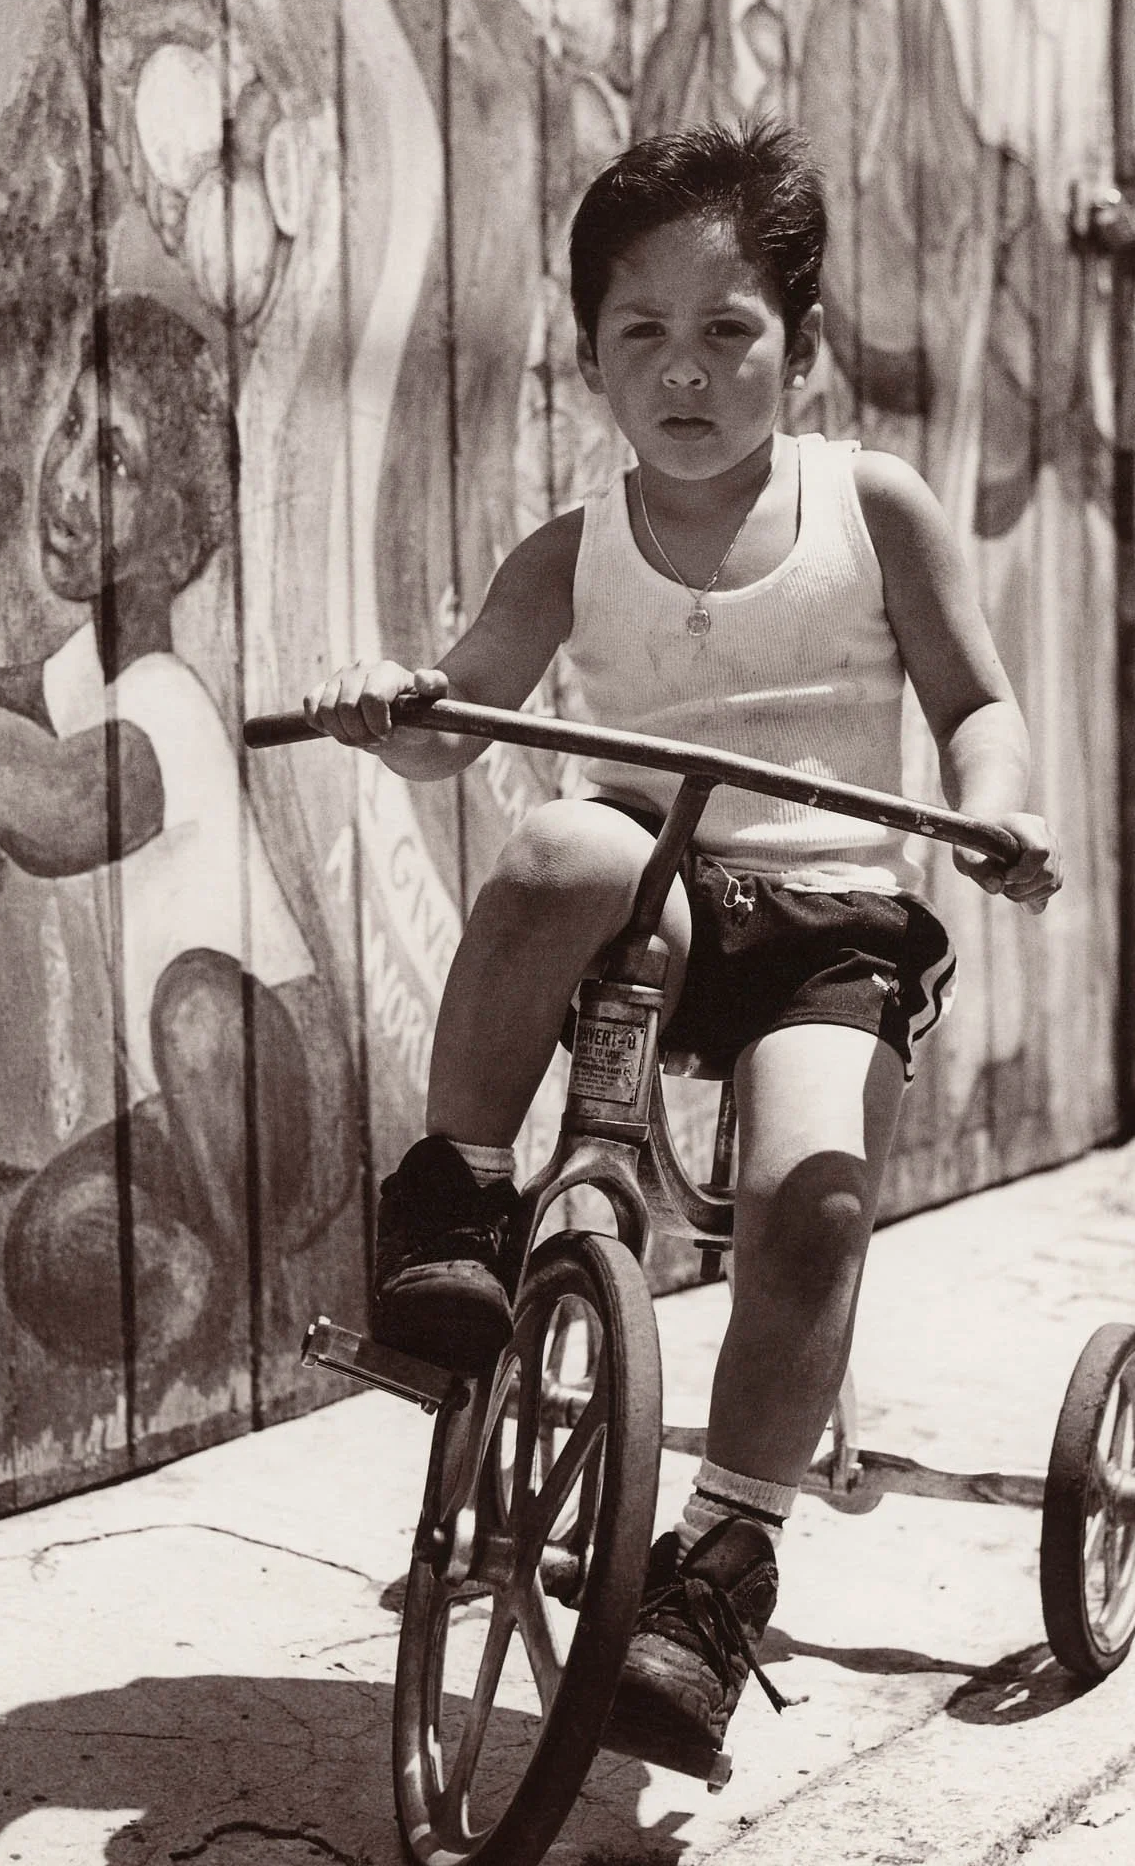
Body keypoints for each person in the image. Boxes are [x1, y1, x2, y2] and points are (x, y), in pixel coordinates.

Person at [306, 120, 1061, 1767]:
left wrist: (994, 811)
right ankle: (457, 1197)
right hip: (653, 900)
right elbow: (456, 717)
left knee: (815, 1197)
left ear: (801, 346)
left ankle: (718, 1562)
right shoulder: (570, 556)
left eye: (729, 329)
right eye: (640, 332)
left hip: (835, 916)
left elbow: (977, 705)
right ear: (588, 360)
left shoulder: (871, 507)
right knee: (560, 838)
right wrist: (393, 705)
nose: (686, 370)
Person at [0, 296, 351, 1384]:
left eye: (111, 461)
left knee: (193, 1005)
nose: (62, 480)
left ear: (177, 536)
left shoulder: (166, 703)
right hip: (193, 1122)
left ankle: (257, 1309)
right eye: (70, 427)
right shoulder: (79, 674)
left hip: (279, 1099)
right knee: (49, 1247)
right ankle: (188, 1287)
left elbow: (64, 810)